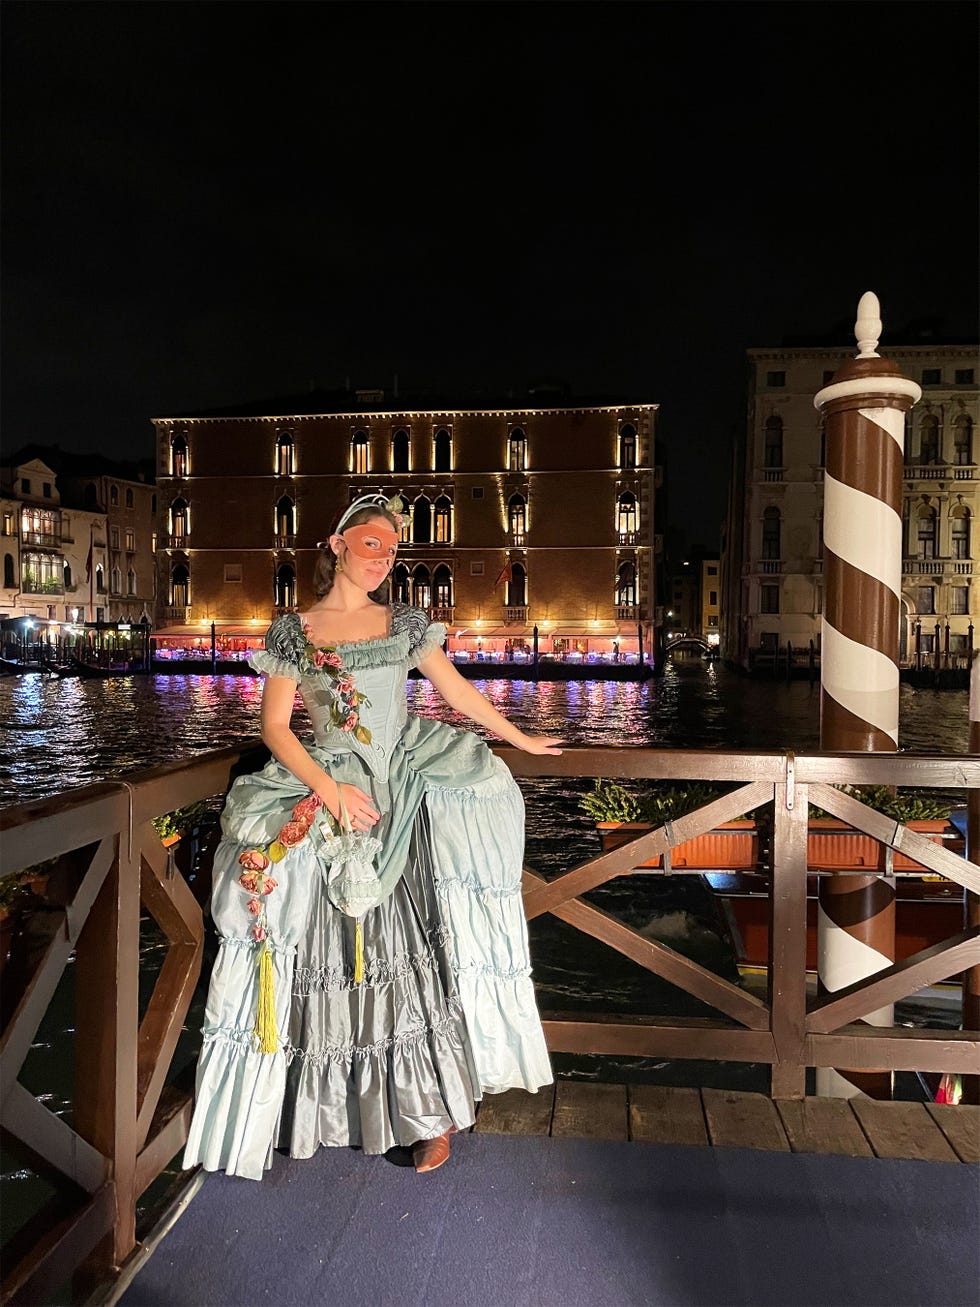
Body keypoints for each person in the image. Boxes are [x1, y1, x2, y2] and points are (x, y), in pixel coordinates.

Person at [183, 492, 561, 1180]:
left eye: (391, 547)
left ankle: (429, 1116)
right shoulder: (293, 630)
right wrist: (329, 791)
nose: (383, 557)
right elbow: (274, 728)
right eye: (370, 543)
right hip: (332, 795)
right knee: (330, 958)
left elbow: (457, 692)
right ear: (336, 543)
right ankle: (334, 1108)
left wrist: (521, 739)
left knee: (410, 957)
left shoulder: (404, 624)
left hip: (398, 796)